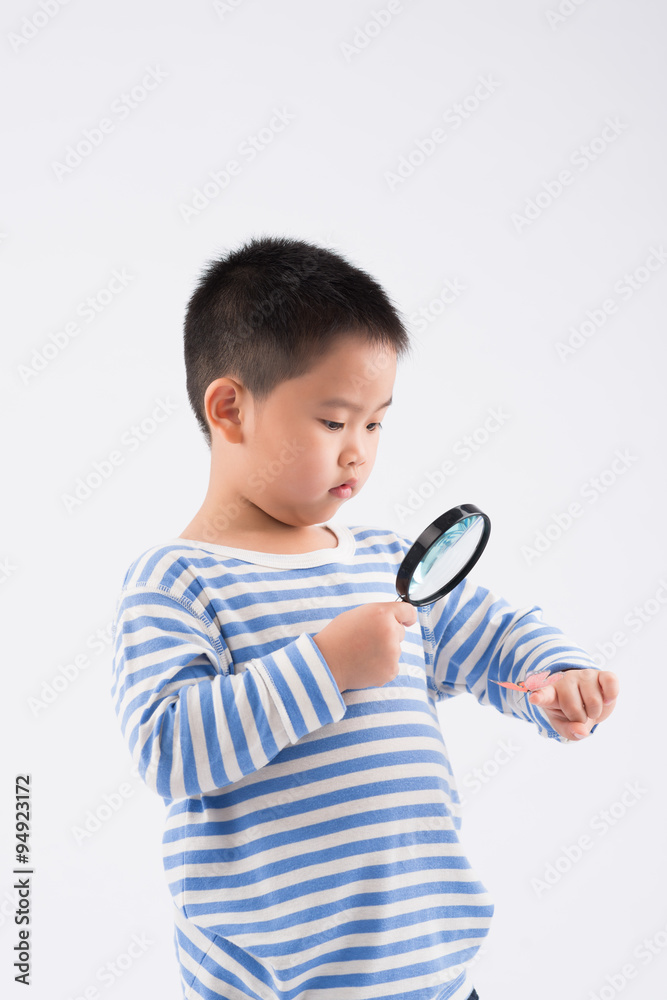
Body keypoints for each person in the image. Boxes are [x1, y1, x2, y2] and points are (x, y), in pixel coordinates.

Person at [110, 235, 619, 1000]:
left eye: (375, 424)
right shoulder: (178, 580)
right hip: (275, 986)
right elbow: (169, 750)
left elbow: (494, 636)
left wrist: (558, 676)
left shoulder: (385, 561)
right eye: (333, 421)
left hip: (434, 977)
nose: (359, 452)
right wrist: (325, 665)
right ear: (230, 410)